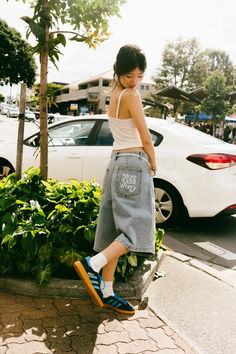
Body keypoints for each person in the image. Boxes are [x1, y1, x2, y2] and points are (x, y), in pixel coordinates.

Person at [74, 44, 157, 315]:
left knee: (112, 231)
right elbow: (145, 137)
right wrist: (153, 162)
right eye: (130, 76)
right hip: (133, 162)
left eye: (139, 77)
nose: (135, 82)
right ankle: (93, 264)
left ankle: (107, 292)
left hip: (117, 163)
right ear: (119, 71)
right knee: (138, 228)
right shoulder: (131, 96)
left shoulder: (115, 94)